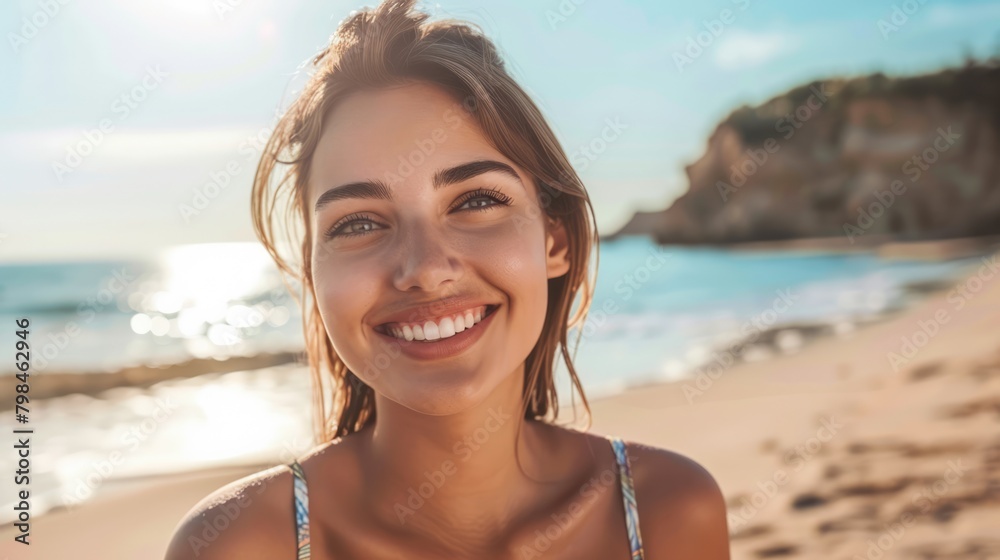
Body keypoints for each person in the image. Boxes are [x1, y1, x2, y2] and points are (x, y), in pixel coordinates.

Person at [164, 1, 730, 558]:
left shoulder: (665, 513)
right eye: (358, 223)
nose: (426, 269)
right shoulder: (238, 546)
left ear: (554, 240)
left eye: (477, 200)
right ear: (314, 271)